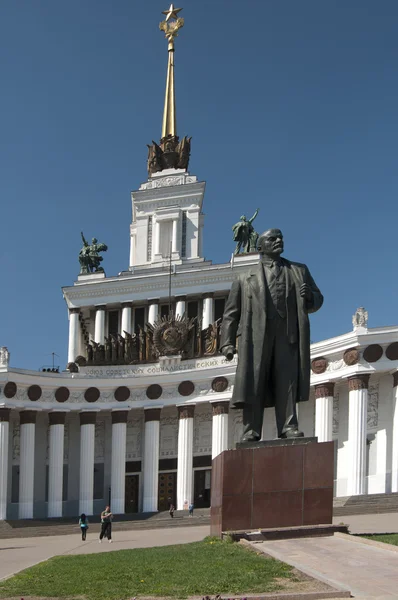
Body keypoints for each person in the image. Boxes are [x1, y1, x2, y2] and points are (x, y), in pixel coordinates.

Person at [220, 228, 323, 441]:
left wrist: (310, 297)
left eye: (280, 238)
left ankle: (288, 427)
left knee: (287, 382)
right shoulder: (243, 278)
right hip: (256, 339)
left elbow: (318, 299)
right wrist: (227, 343)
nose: (279, 241)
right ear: (260, 246)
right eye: (272, 238)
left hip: (288, 335)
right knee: (254, 383)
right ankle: (251, 430)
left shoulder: (299, 270)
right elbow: (231, 314)